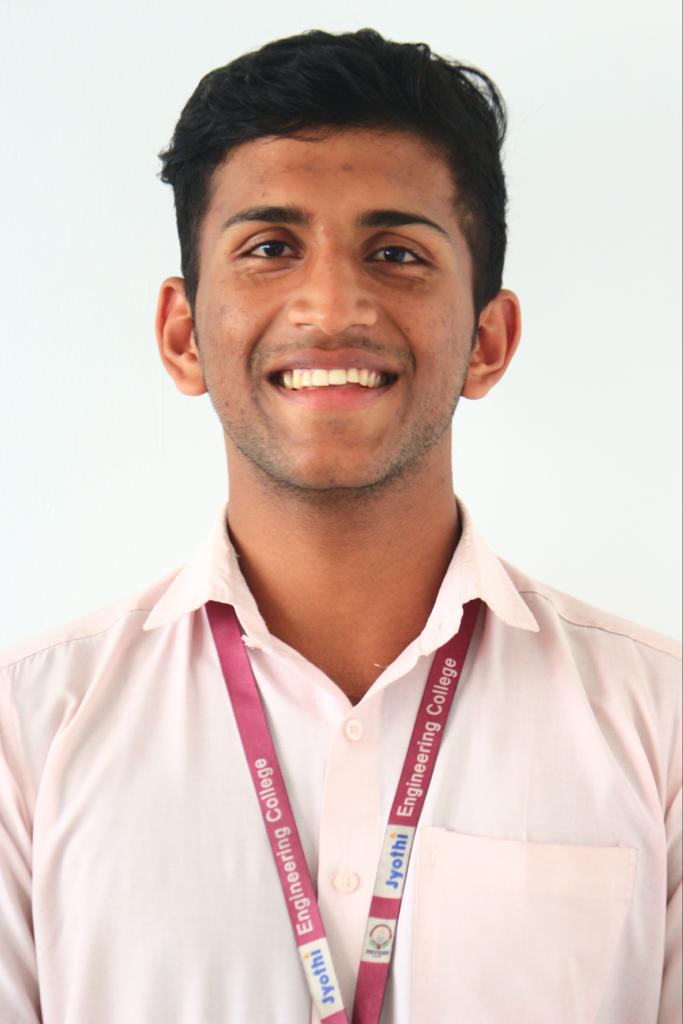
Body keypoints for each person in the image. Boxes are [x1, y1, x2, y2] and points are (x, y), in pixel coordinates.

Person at [0, 27, 680, 1024]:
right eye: (270, 249)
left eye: (395, 253)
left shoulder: (659, 727)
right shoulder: (27, 737)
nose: (329, 307)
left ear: (487, 341)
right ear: (183, 335)